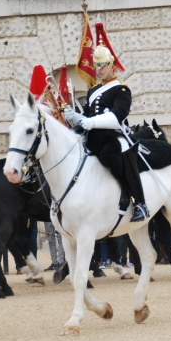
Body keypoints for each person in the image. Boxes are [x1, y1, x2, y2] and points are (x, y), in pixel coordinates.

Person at [64, 22, 148, 222]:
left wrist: (90, 122)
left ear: (111, 65)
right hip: (92, 136)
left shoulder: (121, 89)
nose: (98, 69)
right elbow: (85, 114)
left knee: (117, 154)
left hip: (113, 134)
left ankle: (139, 202)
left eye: (102, 65)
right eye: (96, 65)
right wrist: (72, 117)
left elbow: (117, 116)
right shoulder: (93, 91)